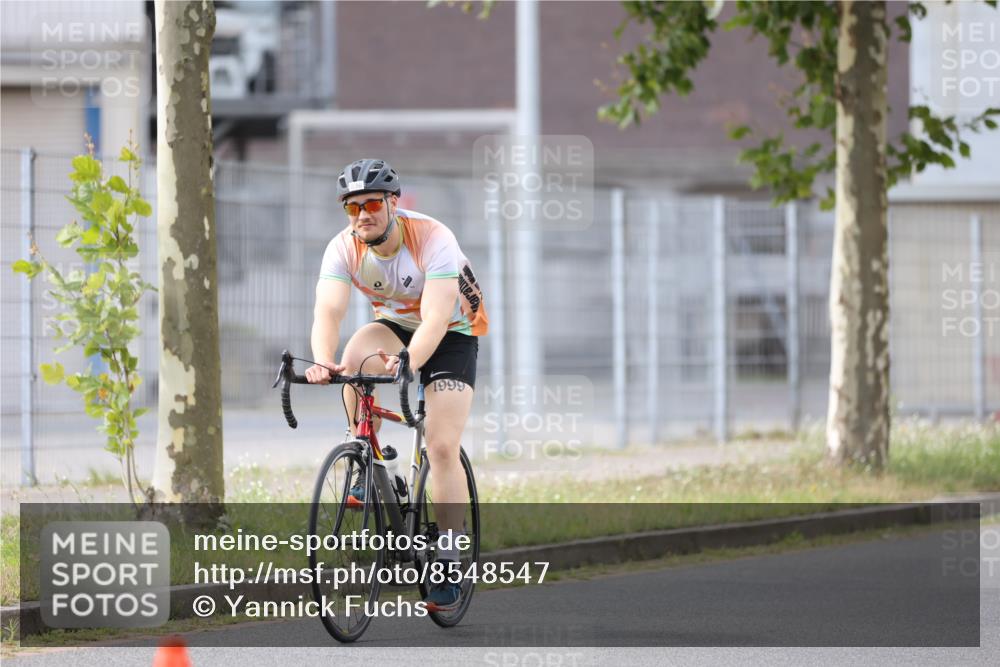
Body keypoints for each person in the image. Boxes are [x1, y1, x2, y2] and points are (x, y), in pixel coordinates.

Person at [305, 158, 487, 612]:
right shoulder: (343, 247)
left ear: (392, 203)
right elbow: (328, 312)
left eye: (371, 204)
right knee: (351, 363)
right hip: (395, 325)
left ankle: (448, 557)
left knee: (441, 446)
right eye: (352, 207)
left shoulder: (432, 238)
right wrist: (324, 362)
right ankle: (367, 456)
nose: (362, 214)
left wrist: (410, 361)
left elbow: (438, 317)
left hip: (451, 334)